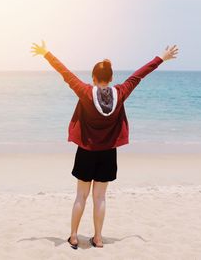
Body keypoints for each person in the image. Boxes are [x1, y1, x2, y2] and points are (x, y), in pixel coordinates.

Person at [30, 41, 178, 249]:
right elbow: (139, 75)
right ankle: (98, 238)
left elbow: (64, 72)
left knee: (81, 195)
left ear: (93, 78)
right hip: (108, 154)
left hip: (86, 152)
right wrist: (162, 58)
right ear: (110, 78)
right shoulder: (121, 92)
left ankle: (73, 236)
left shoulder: (84, 91)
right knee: (100, 197)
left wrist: (46, 53)